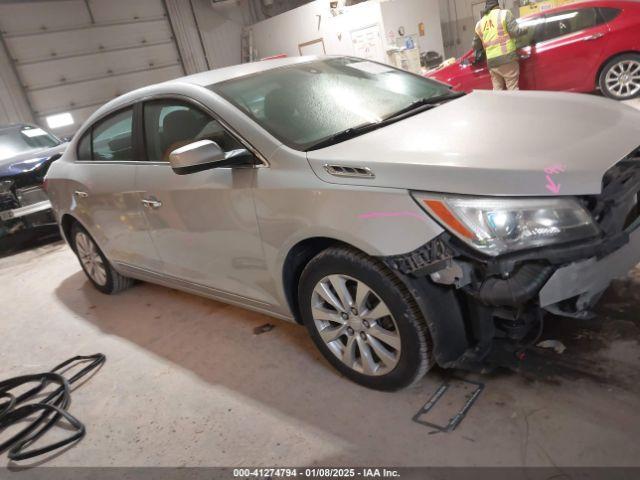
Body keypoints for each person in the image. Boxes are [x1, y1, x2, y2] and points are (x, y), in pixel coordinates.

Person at [472, 0, 528, 90]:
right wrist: (526, 28)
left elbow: (475, 46)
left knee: (497, 92)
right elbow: (515, 32)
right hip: (507, 58)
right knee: (512, 89)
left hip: (492, 62)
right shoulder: (505, 14)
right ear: (497, 5)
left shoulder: (480, 23)